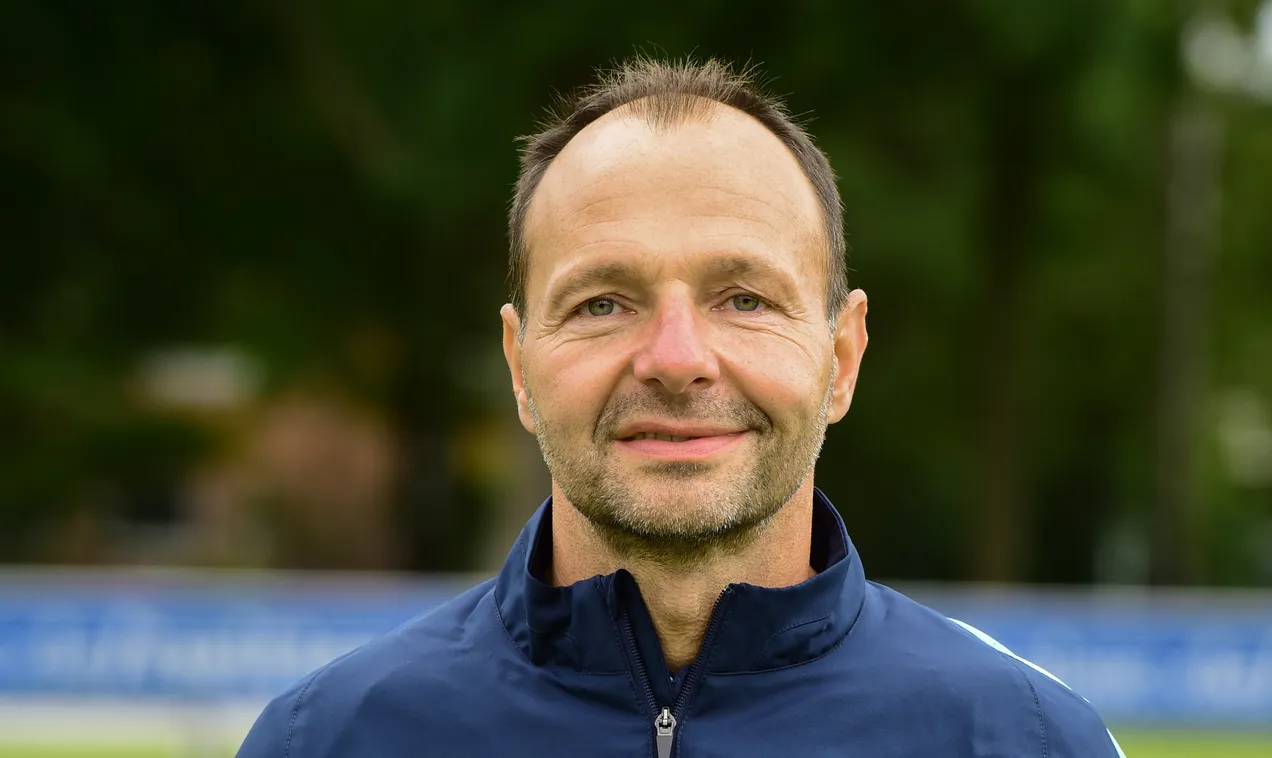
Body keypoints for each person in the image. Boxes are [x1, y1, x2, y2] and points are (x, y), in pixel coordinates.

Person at [237, 57, 1126, 758]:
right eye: (601, 303)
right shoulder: (325, 741)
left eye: (743, 298)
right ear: (518, 365)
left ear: (842, 358)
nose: (675, 360)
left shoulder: (1027, 741)